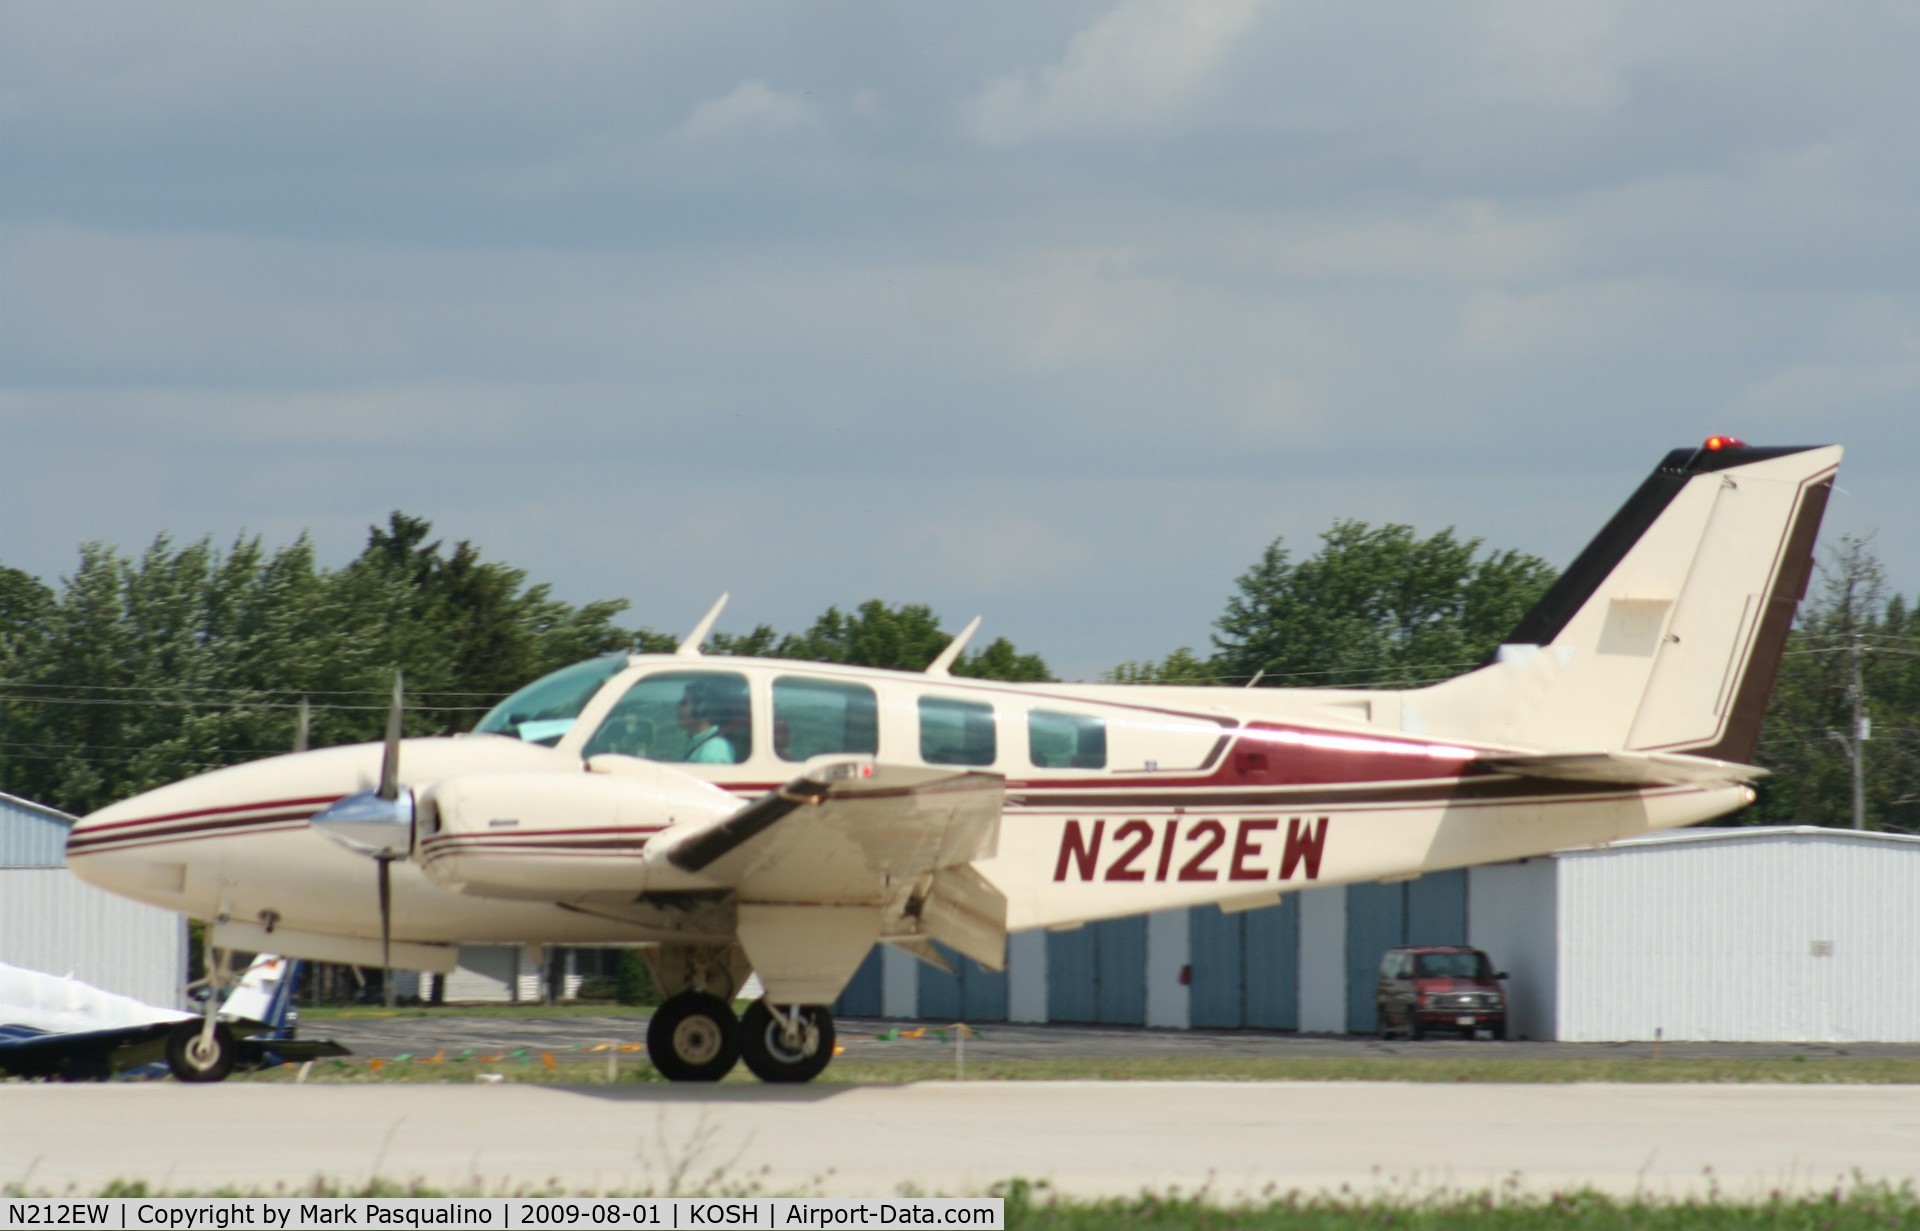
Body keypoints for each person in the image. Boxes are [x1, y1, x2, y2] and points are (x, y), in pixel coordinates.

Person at [677, 682, 736, 764]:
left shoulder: (714, 751)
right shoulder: (699, 740)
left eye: (683, 703)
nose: (678, 708)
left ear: (700, 709)